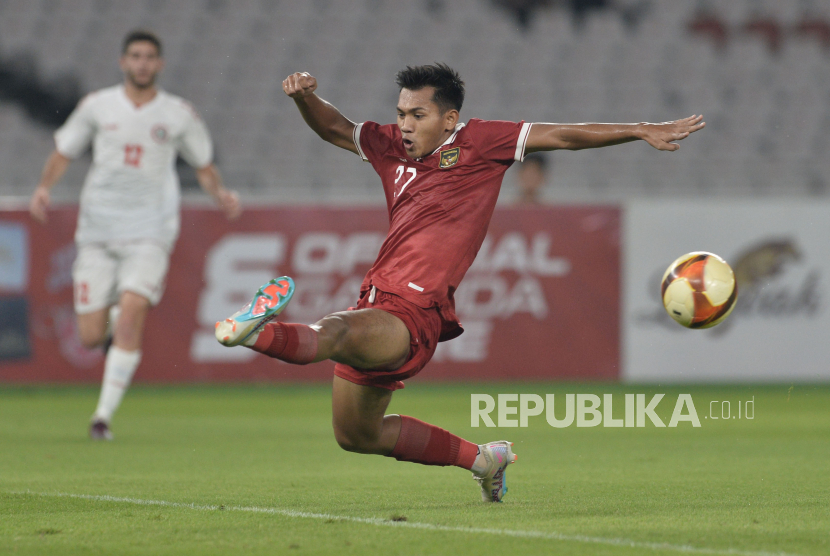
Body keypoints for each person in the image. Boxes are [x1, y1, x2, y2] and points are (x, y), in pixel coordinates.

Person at [215, 63, 704, 502]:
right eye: (401, 112)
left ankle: (255, 331)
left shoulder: (481, 143)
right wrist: (304, 98)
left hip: (413, 315)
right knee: (356, 436)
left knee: (337, 331)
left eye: (418, 114)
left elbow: (563, 137)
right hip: (375, 298)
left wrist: (639, 129)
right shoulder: (389, 147)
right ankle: (483, 459)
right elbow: (336, 128)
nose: (404, 124)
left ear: (448, 120)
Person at [29, 30, 241, 441]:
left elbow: (203, 164)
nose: (142, 63)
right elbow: (63, 151)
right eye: (135, 56)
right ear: (123, 62)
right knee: (91, 336)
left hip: (150, 229)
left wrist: (221, 194)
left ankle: (102, 418)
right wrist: (43, 188)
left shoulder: (179, 113)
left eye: (149, 57)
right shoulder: (97, 106)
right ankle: (111, 327)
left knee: (131, 314)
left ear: (159, 64)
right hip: (98, 230)